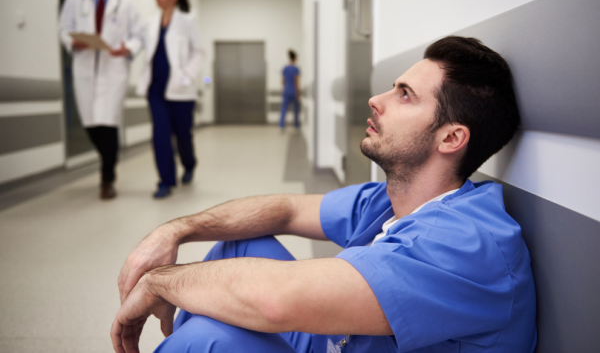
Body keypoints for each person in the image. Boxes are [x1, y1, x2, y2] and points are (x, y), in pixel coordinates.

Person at [111, 36, 537, 353]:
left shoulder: (466, 244)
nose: (376, 100)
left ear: (450, 138)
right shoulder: (396, 198)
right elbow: (285, 209)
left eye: (404, 95)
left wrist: (160, 282)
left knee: (207, 340)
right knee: (240, 243)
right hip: (340, 342)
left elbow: (276, 302)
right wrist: (177, 230)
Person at [59, 0, 142, 199]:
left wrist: (127, 48)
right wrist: (72, 42)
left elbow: (137, 36)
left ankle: (107, 179)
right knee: (91, 124)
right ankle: (107, 167)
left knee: (109, 124)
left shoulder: (126, 2)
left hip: (113, 69)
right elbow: (64, 28)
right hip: (85, 68)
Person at [136, 0, 203, 199]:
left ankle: (189, 163)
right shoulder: (150, 22)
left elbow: (199, 52)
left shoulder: (187, 21)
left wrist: (188, 75)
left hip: (181, 90)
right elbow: (138, 43)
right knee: (160, 134)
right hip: (156, 89)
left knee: (183, 134)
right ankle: (166, 180)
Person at [279, 50, 300, 130]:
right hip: (293, 91)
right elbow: (296, 81)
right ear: (295, 58)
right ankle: (296, 125)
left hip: (286, 91)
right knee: (296, 109)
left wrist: (285, 88)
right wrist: (298, 92)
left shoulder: (285, 68)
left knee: (284, 109)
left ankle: (281, 126)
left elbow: (283, 81)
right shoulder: (296, 69)